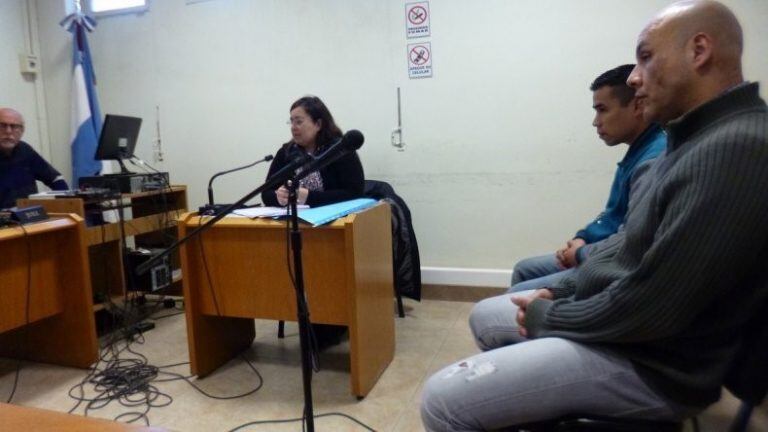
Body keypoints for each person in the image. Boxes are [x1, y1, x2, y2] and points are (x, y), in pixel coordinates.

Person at [421, 1, 768, 430]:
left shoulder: (735, 147)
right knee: (486, 316)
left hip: (657, 366)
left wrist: (552, 315)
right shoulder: (696, 138)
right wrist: (564, 289)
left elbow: (653, 306)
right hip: (638, 338)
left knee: (442, 402)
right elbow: (628, 248)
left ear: (699, 51)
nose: (634, 78)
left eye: (645, 57)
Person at [510, 65, 666, 293]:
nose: (596, 121)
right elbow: (612, 217)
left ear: (637, 106)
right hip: (598, 251)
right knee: (524, 269)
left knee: (516, 294)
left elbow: (632, 240)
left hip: (615, 265)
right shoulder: (638, 150)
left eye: (602, 110)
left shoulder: (652, 159)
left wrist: (581, 253)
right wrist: (582, 238)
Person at [261, 96, 364, 208]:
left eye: (299, 122)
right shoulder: (286, 152)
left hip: (336, 217)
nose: (293, 127)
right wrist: (279, 197)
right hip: (294, 217)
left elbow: (355, 193)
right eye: (291, 122)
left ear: (318, 124)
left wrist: (308, 197)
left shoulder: (340, 150)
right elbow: (266, 193)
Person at [0, 108, 68, 209]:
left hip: (29, 214)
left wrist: (65, 203)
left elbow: (55, 179)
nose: (8, 131)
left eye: (14, 126)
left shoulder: (25, 150)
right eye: (2, 126)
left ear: (22, 131)